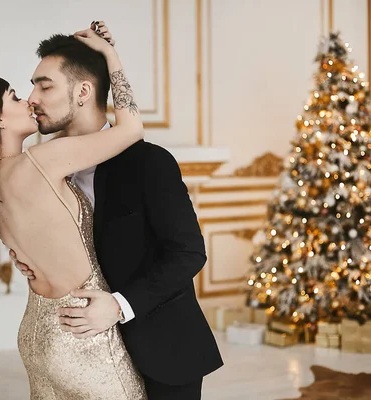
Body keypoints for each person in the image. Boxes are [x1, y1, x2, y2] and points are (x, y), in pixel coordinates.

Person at [12, 21, 224, 400]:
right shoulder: (40, 168)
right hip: (80, 359)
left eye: (44, 85)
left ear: (82, 92)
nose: (32, 97)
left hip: (163, 351)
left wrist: (118, 306)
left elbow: (189, 252)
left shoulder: (149, 162)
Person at [0, 24, 147, 399]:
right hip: (82, 332)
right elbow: (130, 129)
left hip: (36, 332)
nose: (29, 101)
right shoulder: (41, 161)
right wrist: (111, 57)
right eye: (15, 97)